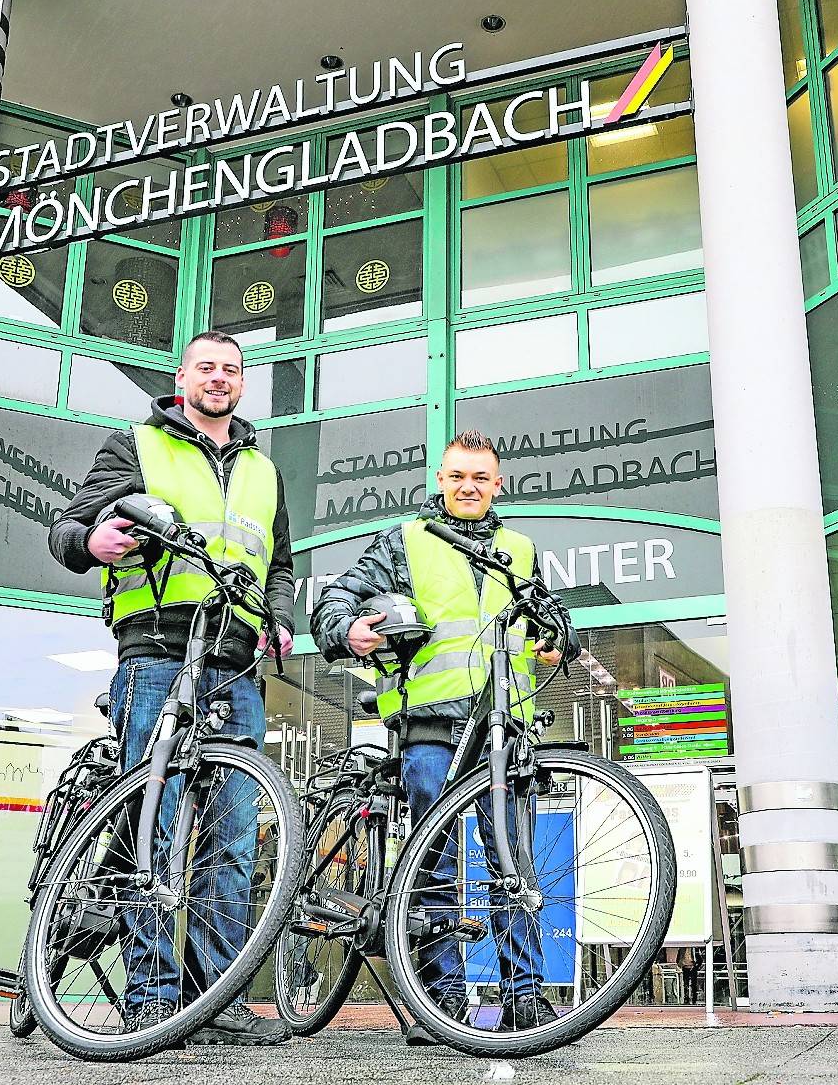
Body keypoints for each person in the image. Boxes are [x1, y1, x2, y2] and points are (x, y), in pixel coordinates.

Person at [49, 329, 295, 1046]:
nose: (219, 378)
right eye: (207, 367)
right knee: (149, 830)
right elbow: (70, 525)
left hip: (236, 658)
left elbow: (278, 562)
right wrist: (90, 542)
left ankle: (214, 995)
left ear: (242, 384)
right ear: (181, 377)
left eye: (231, 370)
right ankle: (152, 994)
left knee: (233, 838)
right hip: (157, 646)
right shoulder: (135, 445)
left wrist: (281, 617)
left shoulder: (263, 468)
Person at [311, 429, 569, 1043]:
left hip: (506, 728)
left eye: (480, 476)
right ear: (440, 479)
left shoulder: (521, 549)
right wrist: (348, 630)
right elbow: (335, 599)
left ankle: (524, 999)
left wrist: (559, 637)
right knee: (436, 862)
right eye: (457, 475)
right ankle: (441, 998)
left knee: (516, 865)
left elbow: (553, 620)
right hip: (431, 727)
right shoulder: (406, 541)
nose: (468, 486)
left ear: (497, 483)